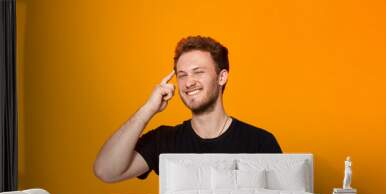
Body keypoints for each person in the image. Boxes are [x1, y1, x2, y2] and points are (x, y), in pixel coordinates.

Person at [94, 35, 282, 183]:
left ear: (221, 77)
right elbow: (106, 171)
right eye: (182, 75)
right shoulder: (163, 141)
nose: (189, 82)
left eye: (198, 72)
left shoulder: (260, 143)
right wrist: (148, 110)